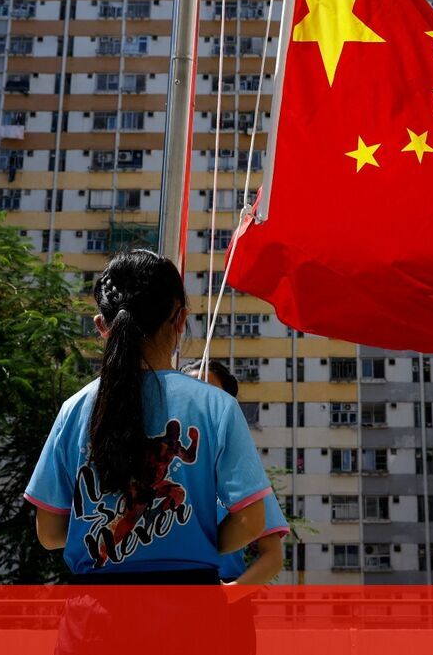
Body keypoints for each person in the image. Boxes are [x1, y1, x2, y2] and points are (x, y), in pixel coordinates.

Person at [24, 249, 272, 584]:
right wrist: (192, 544)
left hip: (96, 607)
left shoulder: (74, 408)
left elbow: (49, 532)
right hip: (188, 604)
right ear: (180, 320)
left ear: (102, 326)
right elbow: (251, 521)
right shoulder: (217, 406)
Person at [180, 359, 288, 586]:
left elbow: (272, 556)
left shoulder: (244, 478)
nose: (199, 399)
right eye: (190, 391)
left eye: (209, 392)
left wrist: (231, 593)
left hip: (219, 592)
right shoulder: (163, 464)